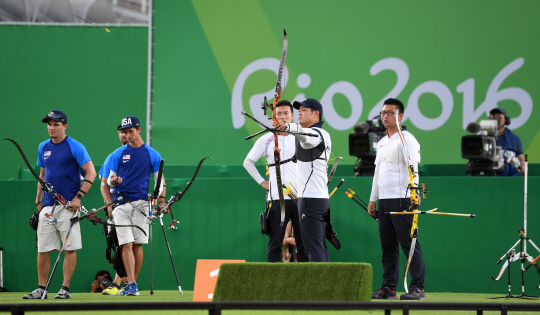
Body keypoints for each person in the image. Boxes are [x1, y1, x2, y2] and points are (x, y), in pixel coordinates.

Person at [23, 110, 97, 299]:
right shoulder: (43, 147)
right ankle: (41, 289)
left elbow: (91, 173)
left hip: (68, 206)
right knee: (42, 248)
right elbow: (42, 175)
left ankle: (64, 289)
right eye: (49, 124)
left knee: (69, 248)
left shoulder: (75, 146)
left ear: (64, 126)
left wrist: (78, 197)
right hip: (48, 206)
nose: (51, 127)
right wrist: (38, 200)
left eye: (56, 124)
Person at [367, 98, 425, 300]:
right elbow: (378, 173)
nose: (385, 116)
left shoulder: (407, 138)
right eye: (383, 112)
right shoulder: (382, 142)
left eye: (390, 113)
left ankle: (418, 288)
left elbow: (413, 168)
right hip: (385, 201)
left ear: (400, 116)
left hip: (403, 199)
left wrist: (414, 192)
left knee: (409, 244)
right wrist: (373, 199)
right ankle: (389, 288)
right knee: (388, 245)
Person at [105, 116, 165, 296]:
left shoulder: (152, 154)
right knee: (126, 243)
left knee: (138, 244)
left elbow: (159, 180)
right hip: (120, 204)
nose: (127, 135)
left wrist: (160, 199)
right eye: (124, 132)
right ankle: (130, 283)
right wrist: (113, 180)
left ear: (139, 130)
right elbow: (109, 179)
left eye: (131, 131)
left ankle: (132, 285)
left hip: (141, 204)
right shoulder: (118, 153)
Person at [243, 100, 305, 262]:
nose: (283, 117)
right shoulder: (267, 139)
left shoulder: (301, 138)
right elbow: (248, 162)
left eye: (286, 113)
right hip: (277, 199)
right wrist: (262, 182)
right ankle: (273, 285)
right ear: (274, 117)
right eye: (279, 114)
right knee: (275, 243)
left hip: (300, 198)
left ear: (293, 116)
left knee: (304, 244)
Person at [274, 98, 332, 262]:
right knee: (318, 245)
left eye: (304, 110)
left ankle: (319, 286)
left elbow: (306, 136)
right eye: (299, 110)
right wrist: (286, 130)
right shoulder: (314, 134)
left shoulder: (316, 133)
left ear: (316, 114)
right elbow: (301, 136)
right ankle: (327, 285)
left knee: (312, 247)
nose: (300, 113)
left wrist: (287, 126)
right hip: (315, 199)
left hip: (311, 200)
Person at [98, 125, 129, 295]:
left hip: (135, 205)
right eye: (122, 133)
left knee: (128, 246)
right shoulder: (114, 155)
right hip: (117, 207)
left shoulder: (142, 154)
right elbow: (104, 184)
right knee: (119, 246)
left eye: (127, 132)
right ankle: (123, 283)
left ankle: (121, 284)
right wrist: (109, 205)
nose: (124, 135)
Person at [489, 107, 525, 176]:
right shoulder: (484, 138)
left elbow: (522, 164)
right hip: (489, 181)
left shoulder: (514, 139)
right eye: (493, 117)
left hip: (510, 181)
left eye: (499, 117)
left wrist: (520, 165)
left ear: (506, 120)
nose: (496, 120)